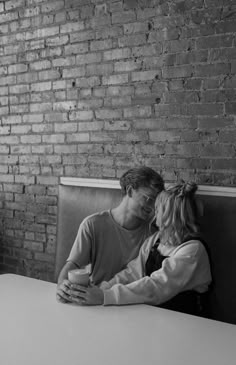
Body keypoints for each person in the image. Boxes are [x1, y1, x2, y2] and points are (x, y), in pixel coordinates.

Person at [65, 181, 212, 316]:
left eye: (158, 209)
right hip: (154, 316)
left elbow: (156, 286)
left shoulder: (193, 250)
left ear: (170, 215)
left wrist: (105, 296)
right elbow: (133, 272)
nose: (154, 214)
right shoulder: (156, 240)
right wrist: (102, 288)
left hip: (187, 323)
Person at [56, 166, 164, 303]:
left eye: (157, 202)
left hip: (134, 303)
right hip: (96, 301)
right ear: (130, 191)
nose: (153, 207)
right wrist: (62, 286)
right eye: (149, 199)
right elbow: (72, 266)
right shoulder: (92, 224)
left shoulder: (154, 233)